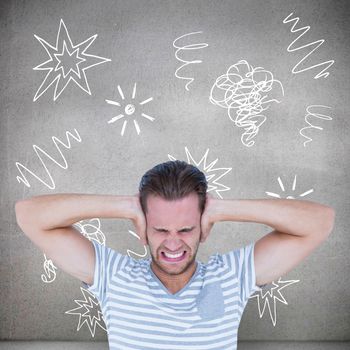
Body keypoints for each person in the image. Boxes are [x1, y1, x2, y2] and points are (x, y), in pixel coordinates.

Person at [15, 160, 335, 350]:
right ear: (142, 228)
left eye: (185, 230)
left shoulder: (231, 276)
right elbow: (29, 215)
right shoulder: (114, 276)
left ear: (203, 229)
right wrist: (125, 205)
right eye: (160, 230)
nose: (172, 244)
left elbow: (320, 222)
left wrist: (221, 208)